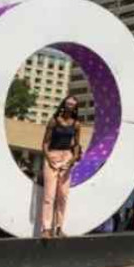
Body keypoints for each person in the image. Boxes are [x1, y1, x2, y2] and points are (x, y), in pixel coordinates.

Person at [41, 95, 82, 238]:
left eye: (72, 104)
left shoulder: (76, 124)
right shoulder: (54, 121)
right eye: (68, 103)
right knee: (49, 195)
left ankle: (59, 228)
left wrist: (73, 159)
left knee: (63, 196)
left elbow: (76, 145)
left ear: (75, 108)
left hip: (66, 158)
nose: (69, 106)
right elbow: (45, 143)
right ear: (63, 104)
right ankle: (46, 229)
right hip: (52, 156)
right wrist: (48, 158)